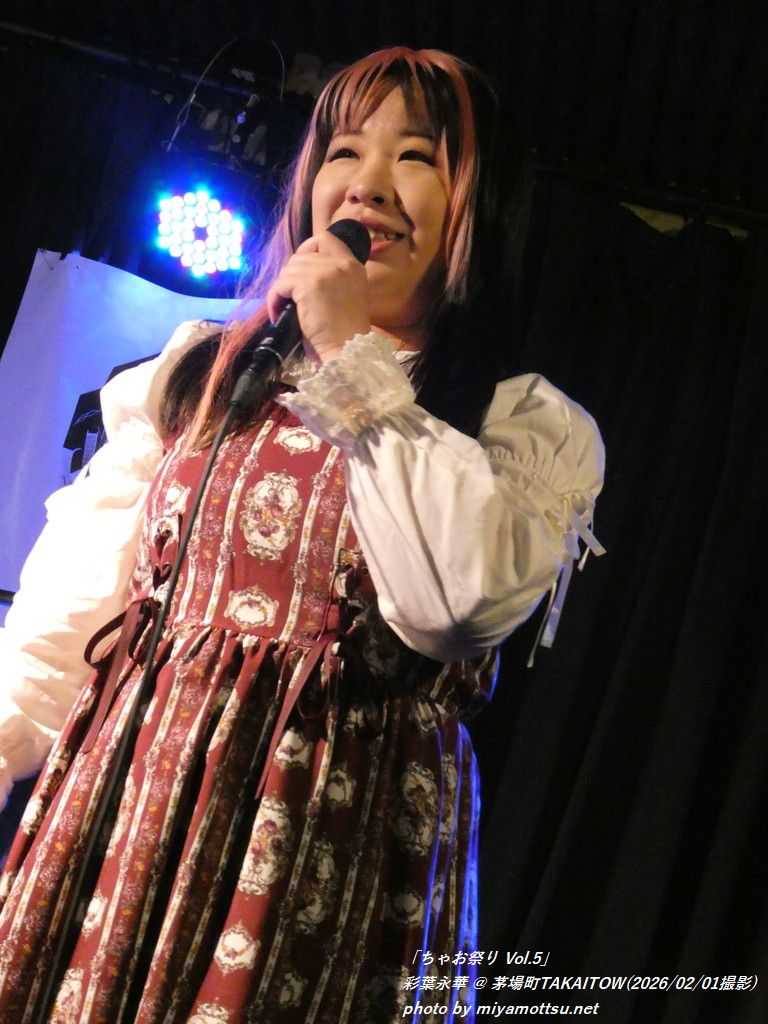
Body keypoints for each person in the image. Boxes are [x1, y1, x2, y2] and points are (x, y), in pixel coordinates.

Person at [0, 47, 604, 1024]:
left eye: (417, 156)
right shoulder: (201, 370)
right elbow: (67, 621)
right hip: (134, 806)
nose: (368, 184)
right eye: (345, 151)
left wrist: (351, 352)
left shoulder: (519, 423)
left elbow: (454, 606)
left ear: (478, 205)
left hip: (333, 838)